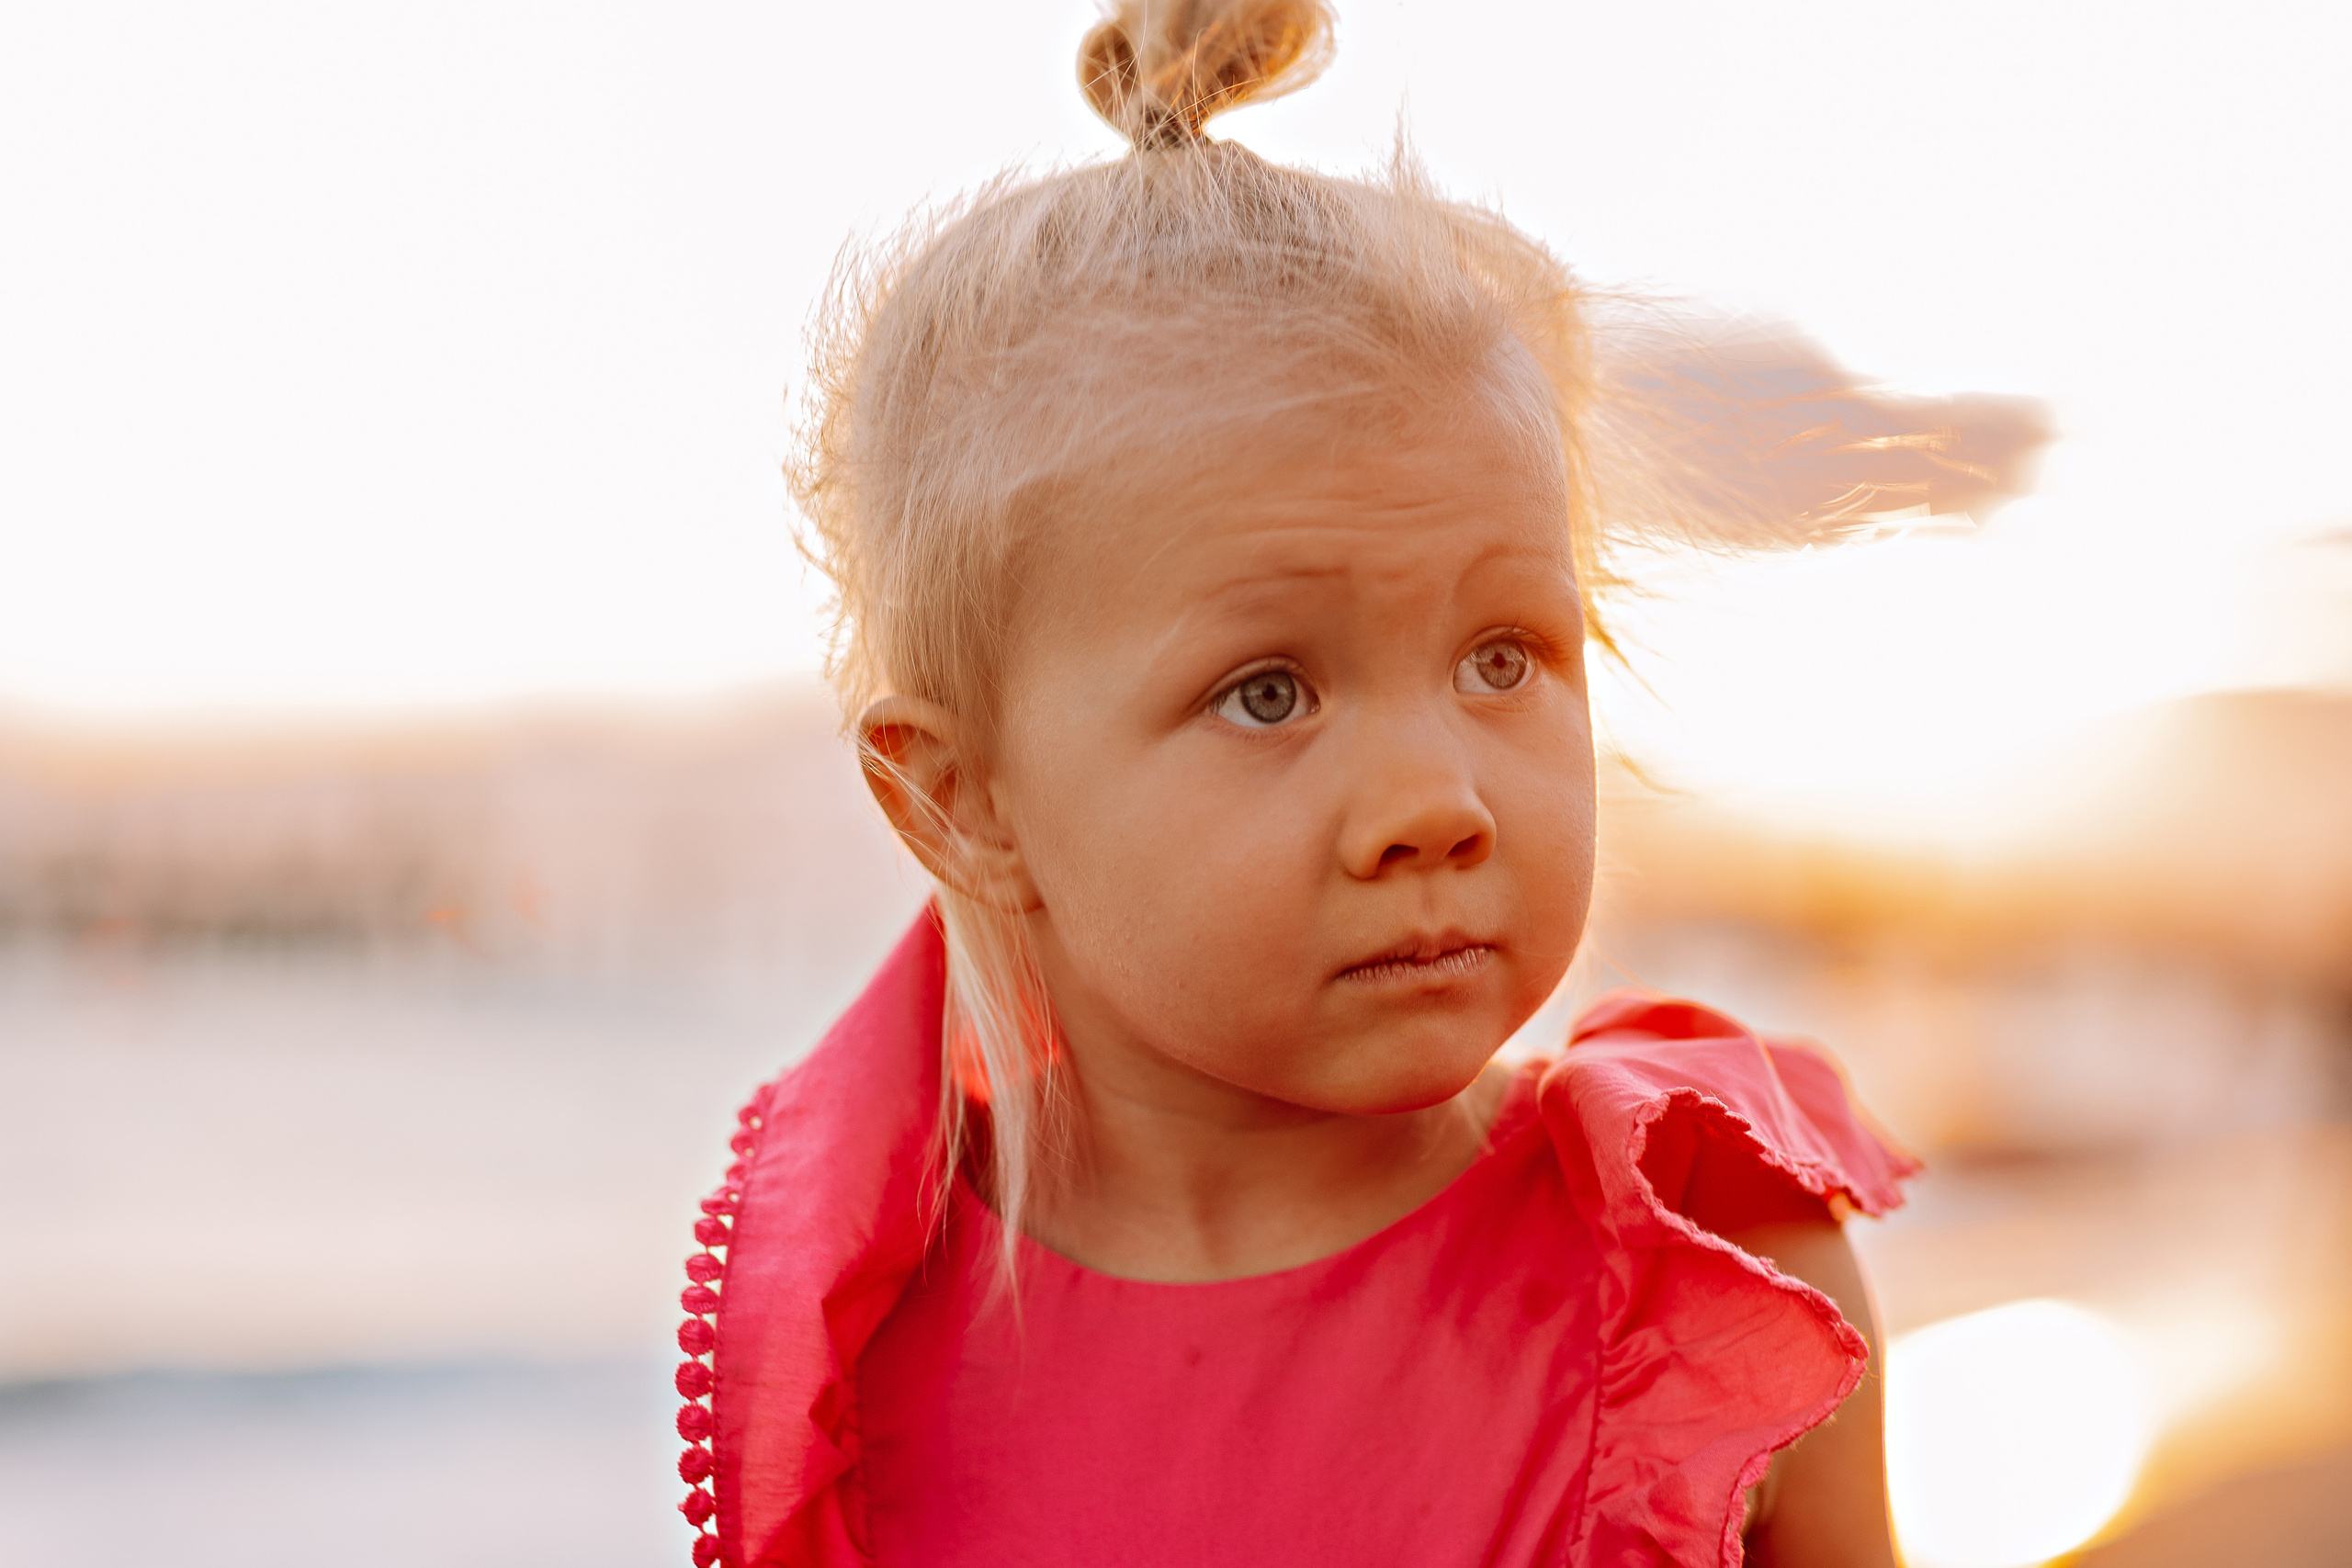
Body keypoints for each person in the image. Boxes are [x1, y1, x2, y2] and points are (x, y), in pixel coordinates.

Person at [671, 4, 2041, 1562]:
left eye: (1505, 657)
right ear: (962, 802)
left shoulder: (1704, 1268)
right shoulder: (854, 1360)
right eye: (1269, 693)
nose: (1438, 801)